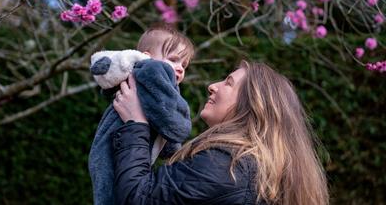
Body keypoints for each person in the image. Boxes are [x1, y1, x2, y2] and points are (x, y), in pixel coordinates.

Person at [112, 60, 329, 205]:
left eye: (229, 83)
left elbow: (136, 197)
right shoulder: (258, 168)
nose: (212, 86)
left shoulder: (227, 164)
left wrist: (136, 124)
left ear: (253, 104)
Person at [88, 24, 195, 205]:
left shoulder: (158, 82)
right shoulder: (152, 70)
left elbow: (162, 121)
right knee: (112, 193)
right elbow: (172, 123)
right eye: (174, 59)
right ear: (147, 57)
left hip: (123, 147)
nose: (180, 68)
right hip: (118, 145)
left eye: (184, 64)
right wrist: (181, 129)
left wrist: (173, 151)